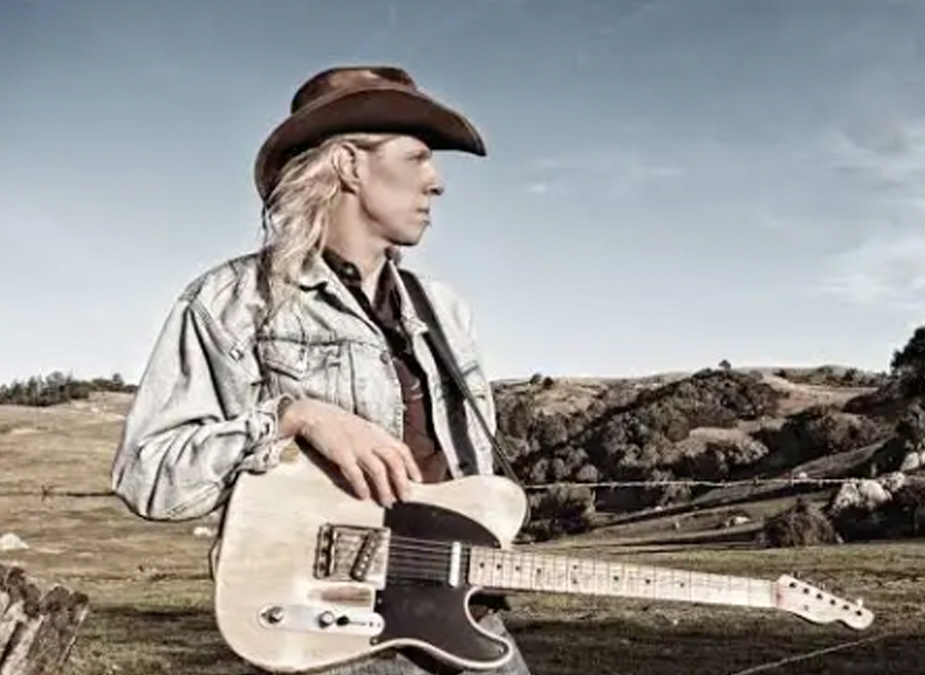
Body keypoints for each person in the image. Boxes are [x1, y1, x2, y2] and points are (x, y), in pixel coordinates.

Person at [110, 65, 532, 675]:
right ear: (348, 165)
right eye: (416, 157)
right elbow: (149, 475)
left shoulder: (444, 309)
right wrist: (293, 418)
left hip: (469, 624)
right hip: (333, 638)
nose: (436, 182)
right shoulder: (233, 300)